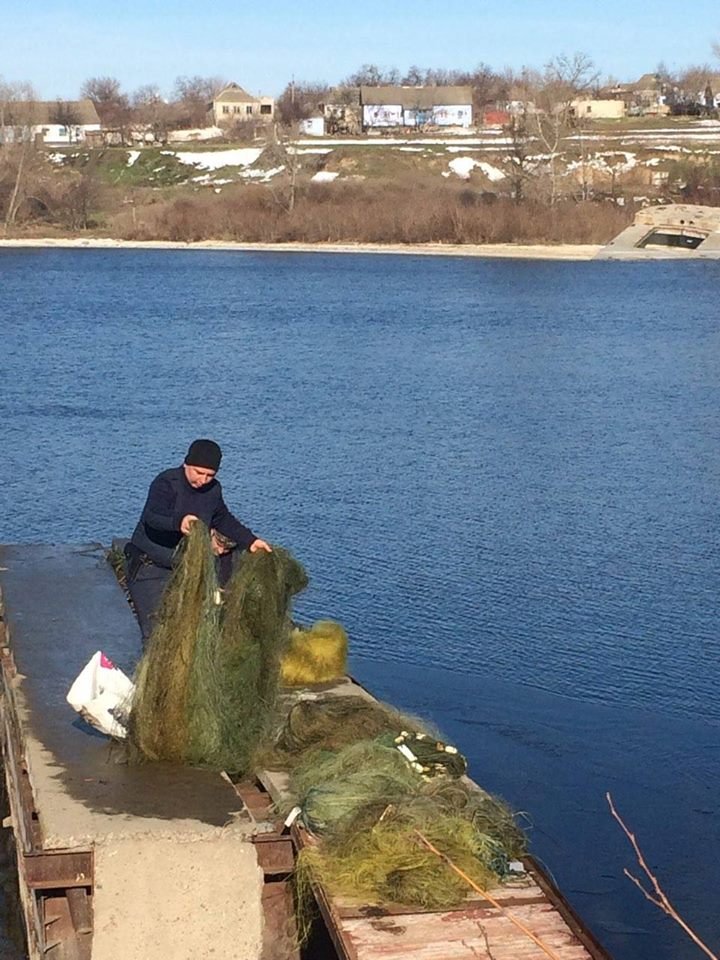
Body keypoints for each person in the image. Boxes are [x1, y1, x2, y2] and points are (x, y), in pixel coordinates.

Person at [124, 438, 271, 640]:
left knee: (183, 631)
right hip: (149, 569)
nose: (203, 480)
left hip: (182, 569)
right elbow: (153, 516)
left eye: (210, 475)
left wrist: (251, 541)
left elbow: (223, 519)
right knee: (156, 632)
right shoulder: (166, 482)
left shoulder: (213, 490)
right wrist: (179, 522)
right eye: (198, 473)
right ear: (187, 464)